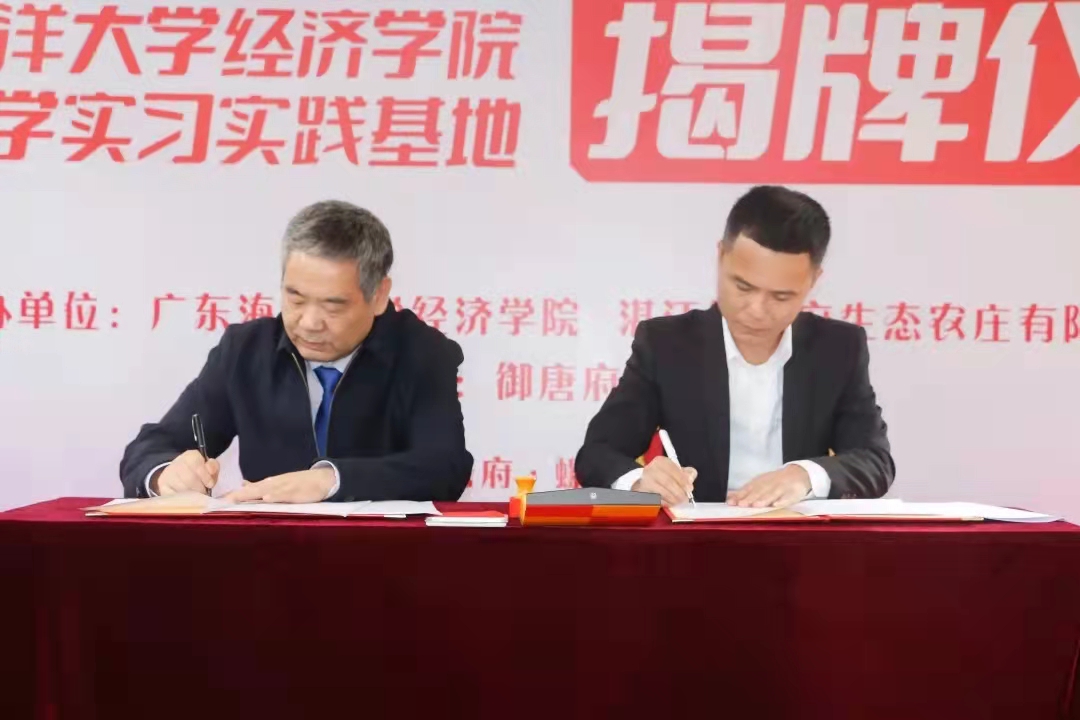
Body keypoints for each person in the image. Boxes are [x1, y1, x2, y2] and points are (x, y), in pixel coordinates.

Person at [120, 200, 473, 503]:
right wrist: (165, 474)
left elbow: (444, 467)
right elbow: (150, 447)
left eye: (332, 306)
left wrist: (330, 481)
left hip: (381, 553)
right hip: (267, 549)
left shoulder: (422, 353)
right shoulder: (246, 350)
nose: (309, 323)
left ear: (379, 295)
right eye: (296, 299)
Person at [575, 185, 894, 507]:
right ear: (721, 256)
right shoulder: (666, 345)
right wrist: (639, 480)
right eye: (743, 287)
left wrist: (805, 476)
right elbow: (598, 453)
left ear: (813, 280)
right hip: (698, 532)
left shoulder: (838, 349)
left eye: (781, 297)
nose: (757, 310)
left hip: (798, 532)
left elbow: (875, 460)